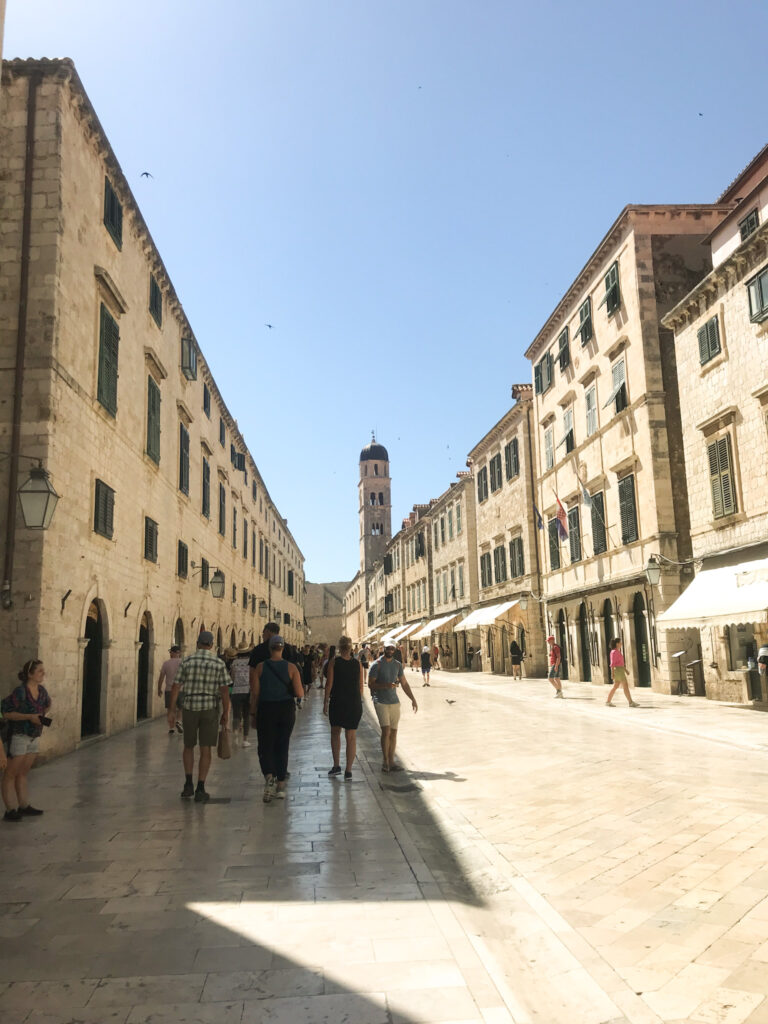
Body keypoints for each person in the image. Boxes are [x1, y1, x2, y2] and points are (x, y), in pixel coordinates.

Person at [170, 631, 230, 803]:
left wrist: (172, 711)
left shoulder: (187, 661)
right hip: (210, 708)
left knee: (188, 746)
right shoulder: (218, 663)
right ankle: (201, 788)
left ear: (197, 643)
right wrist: (226, 713)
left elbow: (176, 686)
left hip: (189, 707)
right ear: (211, 645)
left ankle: (188, 783)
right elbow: (225, 691)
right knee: (206, 749)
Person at [251, 635, 303, 802]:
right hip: (285, 709)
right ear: (282, 649)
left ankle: (269, 777)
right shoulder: (292, 668)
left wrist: (253, 713)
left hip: (266, 709)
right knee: (282, 745)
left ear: (270, 648)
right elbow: (300, 693)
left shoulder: (260, 667)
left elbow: (255, 694)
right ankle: (281, 785)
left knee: (265, 745)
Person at [1, 659, 51, 821]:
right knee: (10, 773)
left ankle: (23, 805)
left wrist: (40, 716)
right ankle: (10, 810)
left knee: (23, 773)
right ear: (30, 674)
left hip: (34, 736)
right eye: (40, 671)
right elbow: (5, 712)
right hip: (19, 736)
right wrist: (28, 717)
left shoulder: (42, 691)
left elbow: (47, 704)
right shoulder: (20, 692)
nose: (43, 674)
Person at [368, 642, 418, 773]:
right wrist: (386, 685)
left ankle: (391, 761)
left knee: (394, 732)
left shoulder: (397, 665)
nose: (390, 650)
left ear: (394, 650)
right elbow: (370, 684)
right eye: (388, 648)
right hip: (380, 701)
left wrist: (413, 698)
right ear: (384, 649)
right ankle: (385, 761)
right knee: (386, 731)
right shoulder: (376, 665)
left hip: (394, 701)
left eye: (392, 648)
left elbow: (404, 683)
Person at [324, 636, 364, 780]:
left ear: (340, 648)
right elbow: (361, 687)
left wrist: (325, 703)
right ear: (351, 648)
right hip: (353, 703)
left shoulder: (334, 663)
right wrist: (358, 702)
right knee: (351, 737)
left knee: (335, 733)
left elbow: (328, 684)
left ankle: (336, 766)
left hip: (338, 702)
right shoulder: (358, 664)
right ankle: (348, 771)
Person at [157, 645, 183, 735]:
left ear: (172, 653)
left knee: (170, 709)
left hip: (169, 689)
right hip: (180, 689)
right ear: (179, 653)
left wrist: (159, 688)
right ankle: (179, 721)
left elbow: (161, 677)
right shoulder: (182, 663)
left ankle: (171, 728)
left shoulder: (166, 663)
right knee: (181, 707)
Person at [229, 648, 252, 746]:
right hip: (247, 691)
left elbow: (232, 678)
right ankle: (245, 740)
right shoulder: (251, 663)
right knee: (246, 716)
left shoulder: (234, 663)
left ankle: (235, 736)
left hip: (236, 691)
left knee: (236, 715)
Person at [606, 637, 638, 707]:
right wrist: (612, 673)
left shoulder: (616, 651)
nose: (621, 644)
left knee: (616, 686)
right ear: (617, 644)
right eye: (620, 643)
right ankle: (631, 702)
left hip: (619, 670)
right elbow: (613, 664)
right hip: (618, 671)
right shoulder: (614, 652)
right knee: (625, 686)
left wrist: (626, 670)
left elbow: (620, 663)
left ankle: (608, 701)